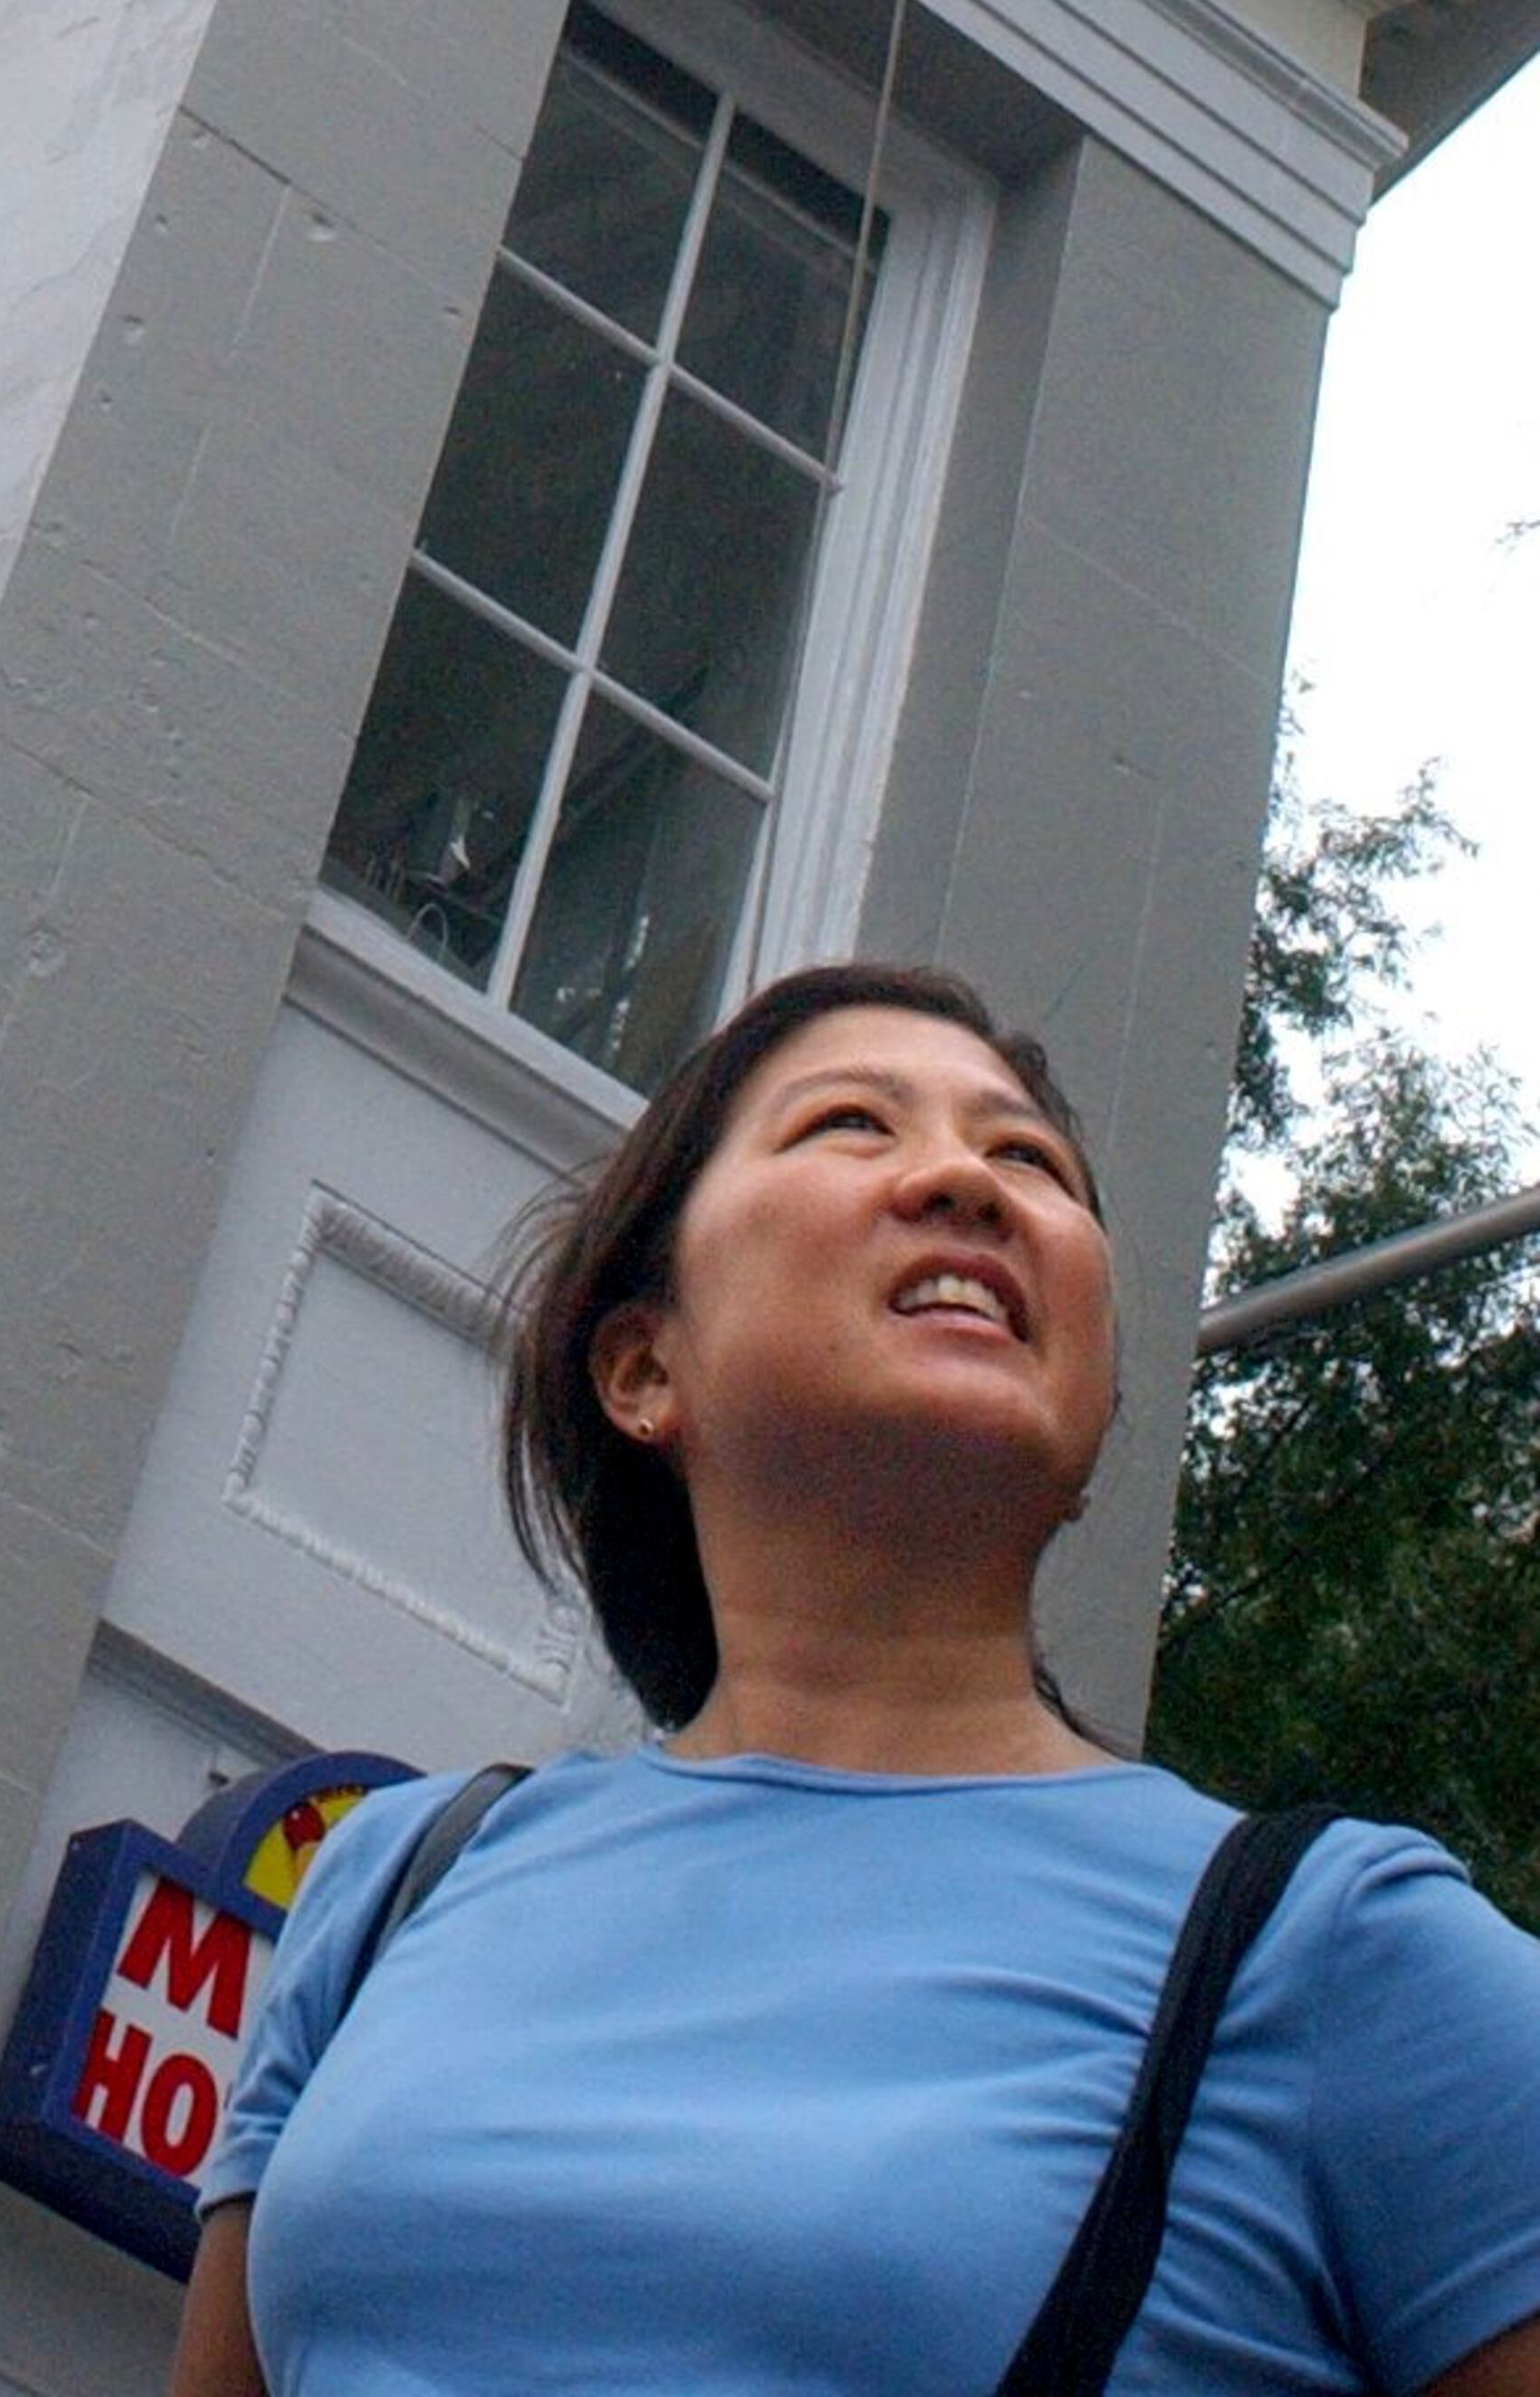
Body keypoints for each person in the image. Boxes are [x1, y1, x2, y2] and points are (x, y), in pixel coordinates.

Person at [176, 961, 1540, 2397]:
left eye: (1029, 1157)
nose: (966, 1179)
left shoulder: (1341, 1956)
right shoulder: (402, 1880)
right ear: (643, 1364)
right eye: (851, 1124)